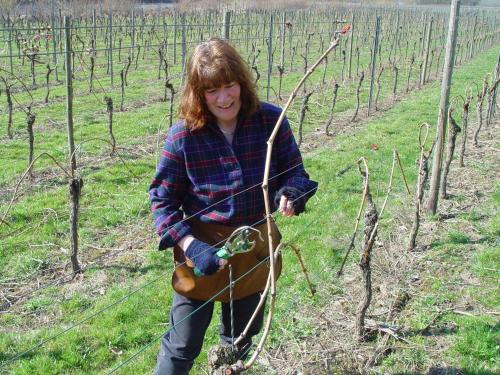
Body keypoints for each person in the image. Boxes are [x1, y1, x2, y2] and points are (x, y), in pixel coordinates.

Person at [149, 37, 317, 375]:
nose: (224, 98)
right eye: (212, 90)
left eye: (229, 86)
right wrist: (190, 245)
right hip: (202, 252)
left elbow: (296, 173)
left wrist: (291, 193)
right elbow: (162, 201)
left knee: (239, 342)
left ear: (241, 81)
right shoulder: (182, 137)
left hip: (254, 247)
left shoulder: (270, 121)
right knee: (181, 346)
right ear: (198, 93)